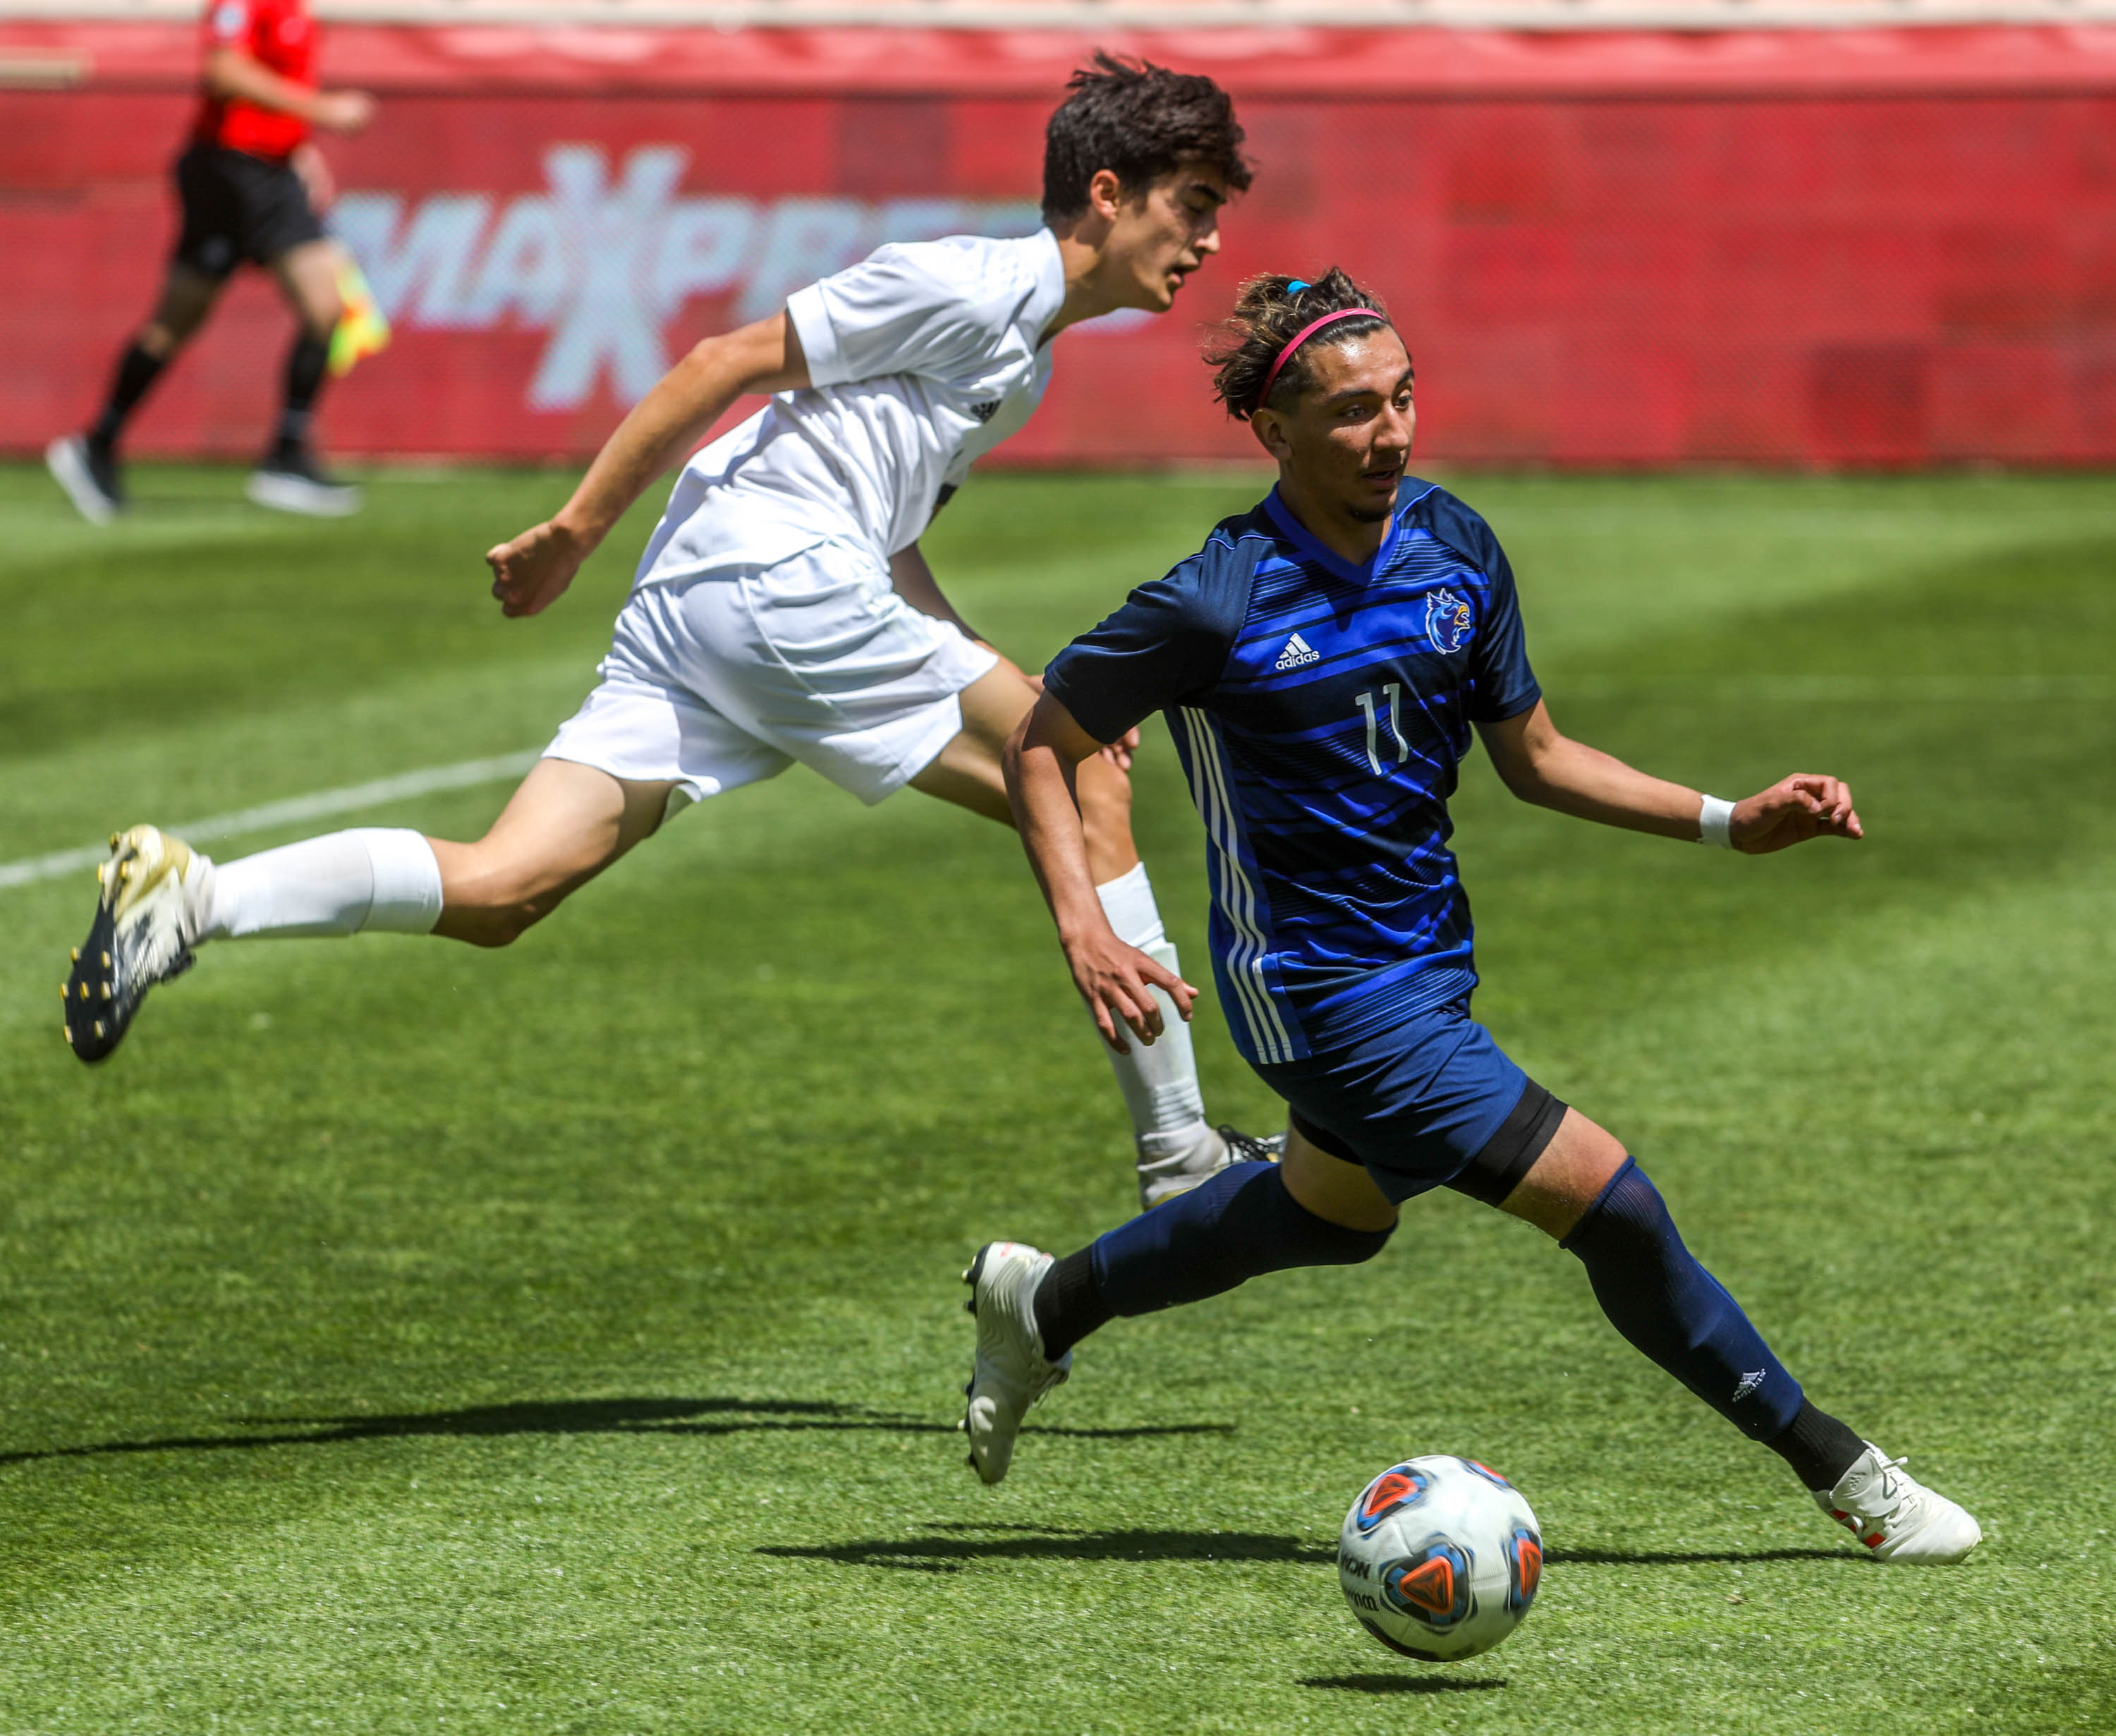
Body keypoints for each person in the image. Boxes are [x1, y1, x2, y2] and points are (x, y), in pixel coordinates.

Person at [65, 56, 1277, 1208]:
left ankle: (193, 895)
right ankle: (1177, 1146)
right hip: (773, 575)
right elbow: (726, 360)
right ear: (1109, 196)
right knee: (1077, 761)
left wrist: (1003, 679)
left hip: (733, 593)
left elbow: (894, 544)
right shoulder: (967, 282)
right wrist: (573, 531)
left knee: (503, 889)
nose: (1212, 240)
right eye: (1196, 205)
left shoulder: (1026, 365)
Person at [961, 267, 1981, 1565]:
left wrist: (1733, 819)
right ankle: (1847, 1473)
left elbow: (1538, 756)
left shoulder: (1455, 547)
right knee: (1613, 1206)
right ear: (1274, 433)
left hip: (1425, 968)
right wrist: (1083, 925)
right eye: (1349, 413)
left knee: (1326, 1219)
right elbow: (1042, 740)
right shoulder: (1218, 597)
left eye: (1401, 400)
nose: (1389, 433)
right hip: (1317, 991)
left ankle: (1042, 1303)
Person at [46, 0, 372, 523]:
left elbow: (269, 84)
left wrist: (298, 147)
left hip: (269, 171)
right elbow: (223, 71)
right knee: (180, 323)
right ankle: (98, 445)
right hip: (231, 174)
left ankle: (283, 455)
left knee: (324, 307)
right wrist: (322, 111)